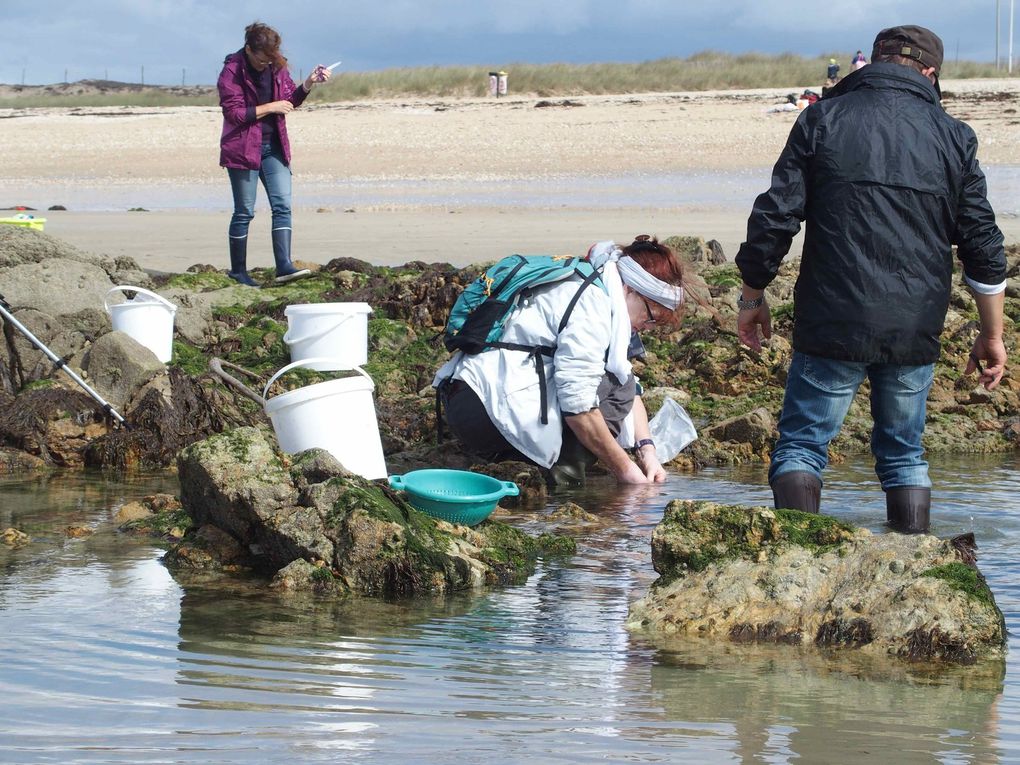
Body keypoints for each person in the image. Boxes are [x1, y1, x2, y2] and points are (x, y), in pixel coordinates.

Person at [734, 25, 1007, 534]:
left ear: (871, 63)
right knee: (904, 453)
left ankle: (793, 561)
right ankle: (912, 566)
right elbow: (983, 245)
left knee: (802, 446)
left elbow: (774, 218)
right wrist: (991, 334)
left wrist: (752, 294)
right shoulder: (953, 136)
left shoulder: (822, 118)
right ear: (930, 74)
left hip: (831, 317)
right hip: (913, 325)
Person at [434, 236, 688, 486]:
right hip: (486, 413)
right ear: (630, 289)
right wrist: (625, 471)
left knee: (619, 384)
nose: (648, 327)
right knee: (612, 387)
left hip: (463, 398)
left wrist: (647, 451)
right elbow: (580, 403)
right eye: (651, 315)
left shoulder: (593, 279)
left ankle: (517, 458)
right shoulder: (593, 305)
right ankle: (561, 478)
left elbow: (631, 387)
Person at [217, 21, 331, 287]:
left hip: (274, 146)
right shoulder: (231, 70)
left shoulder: (276, 65)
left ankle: (284, 266)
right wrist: (270, 106)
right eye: (261, 60)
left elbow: (290, 100)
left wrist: (308, 83)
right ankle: (239, 272)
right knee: (244, 212)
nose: (265, 65)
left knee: (282, 206)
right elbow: (234, 114)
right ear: (248, 49)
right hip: (242, 148)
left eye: (270, 60)